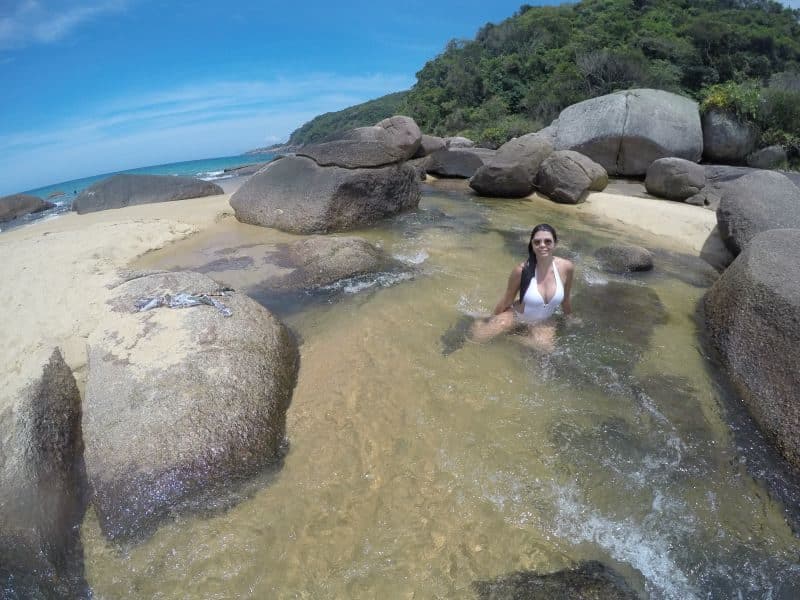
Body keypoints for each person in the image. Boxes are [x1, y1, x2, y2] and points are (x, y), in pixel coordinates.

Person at [472, 223, 576, 349]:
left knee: (545, 348)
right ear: (532, 245)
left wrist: (569, 319)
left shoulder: (566, 267)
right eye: (537, 242)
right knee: (479, 338)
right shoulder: (521, 270)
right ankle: (479, 320)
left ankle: (512, 336)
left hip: (543, 322)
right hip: (517, 316)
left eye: (548, 241)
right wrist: (492, 319)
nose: (542, 245)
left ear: (555, 243)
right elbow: (507, 300)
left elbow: (565, 300)